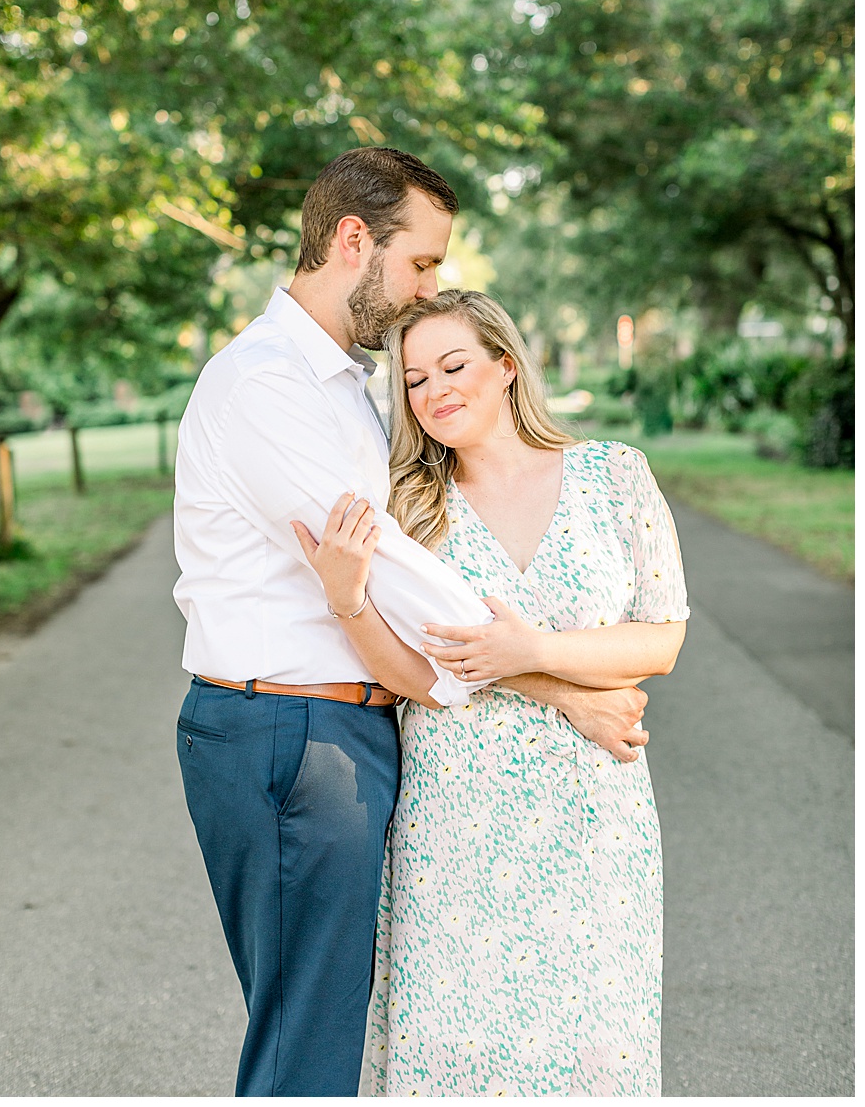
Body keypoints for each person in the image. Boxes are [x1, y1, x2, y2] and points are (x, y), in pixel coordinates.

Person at [171, 147, 648, 1097]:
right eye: (423, 262)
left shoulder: (339, 383)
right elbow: (391, 574)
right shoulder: (265, 385)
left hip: (336, 725)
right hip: (285, 732)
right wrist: (564, 693)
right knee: (305, 1045)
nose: (431, 282)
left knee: (321, 1029)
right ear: (356, 240)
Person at [293, 289, 688, 1096]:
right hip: (457, 816)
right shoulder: (408, 507)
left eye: (454, 364)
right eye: (412, 379)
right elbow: (414, 676)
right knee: (457, 1053)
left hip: (594, 816)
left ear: (505, 366)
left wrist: (530, 649)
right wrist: (347, 598)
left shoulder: (613, 476)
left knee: (594, 1051)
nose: (435, 389)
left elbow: (663, 641)